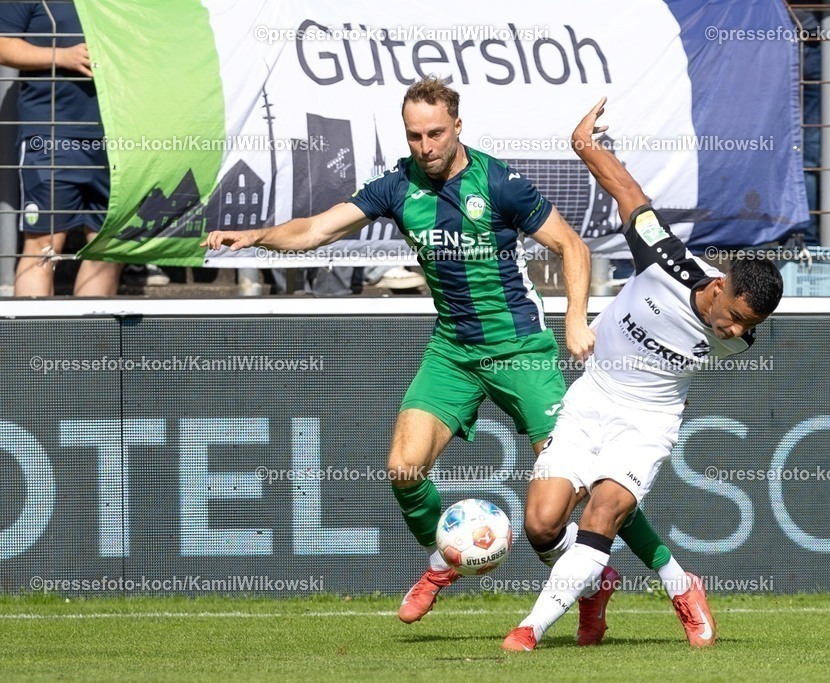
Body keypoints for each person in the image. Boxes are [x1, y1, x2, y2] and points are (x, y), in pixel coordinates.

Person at [205, 78, 682, 633]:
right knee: (403, 469)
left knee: (585, 481)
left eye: (435, 133)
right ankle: (447, 558)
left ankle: (665, 580)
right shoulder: (396, 187)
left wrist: (576, 318)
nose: (425, 146)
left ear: (458, 127)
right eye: (414, 136)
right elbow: (313, 230)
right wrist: (257, 235)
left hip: (521, 350)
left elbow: (571, 246)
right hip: (452, 350)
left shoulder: (498, 182)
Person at [501, 98, 784, 652]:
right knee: (541, 524)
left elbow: (732, 330)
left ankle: (529, 628)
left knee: (606, 509)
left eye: (746, 326)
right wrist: (584, 144)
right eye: (733, 315)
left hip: (648, 420)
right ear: (721, 284)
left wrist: (736, 329)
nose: (733, 331)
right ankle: (673, 581)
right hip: (590, 400)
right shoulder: (667, 262)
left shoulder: (742, 338)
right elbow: (629, 194)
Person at [0, 2, 122, 296]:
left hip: (121, 136)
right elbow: (3, 44)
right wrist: (62, 56)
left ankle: (93, 341)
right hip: (51, 133)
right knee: (43, 244)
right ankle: (30, 342)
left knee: (107, 248)